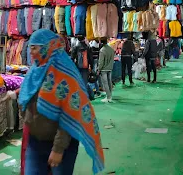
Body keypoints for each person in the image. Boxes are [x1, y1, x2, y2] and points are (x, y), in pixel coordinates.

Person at [18, 29, 104, 175]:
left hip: (61, 145)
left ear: (47, 47)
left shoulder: (65, 74)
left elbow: (70, 114)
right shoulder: (35, 70)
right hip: (35, 141)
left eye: (34, 47)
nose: (30, 52)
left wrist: (58, 149)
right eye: (30, 47)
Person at [98, 38, 115, 103]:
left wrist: (99, 69)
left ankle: (108, 97)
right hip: (110, 68)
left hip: (104, 69)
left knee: (105, 83)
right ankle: (110, 96)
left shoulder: (102, 50)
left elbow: (101, 62)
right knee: (109, 82)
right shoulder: (111, 49)